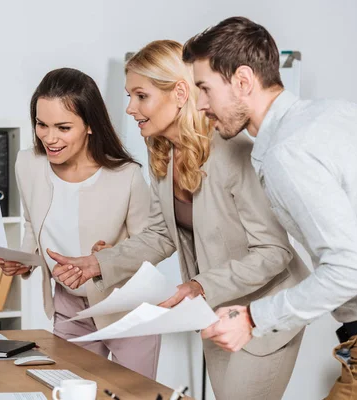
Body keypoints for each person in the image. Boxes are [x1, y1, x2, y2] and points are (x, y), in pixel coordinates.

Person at [48, 40, 309, 400]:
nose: (130, 108)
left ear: (180, 92)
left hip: (263, 312)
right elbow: (161, 235)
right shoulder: (164, 156)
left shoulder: (234, 152)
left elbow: (274, 252)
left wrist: (199, 286)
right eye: (129, 96)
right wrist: (97, 264)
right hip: (215, 312)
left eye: (141, 96)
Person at [183, 16, 357, 400]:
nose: (202, 105)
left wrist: (254, 317)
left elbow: (353, 268)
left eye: (205, 89)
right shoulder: (340, 113)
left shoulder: (287, 153)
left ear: (243, 81)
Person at [0, 67, 160, 379]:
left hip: (127, 309)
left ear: (90, 126)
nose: (49, 137)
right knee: (69, 389)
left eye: (63, 127)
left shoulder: (126, 177)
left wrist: (109, 256)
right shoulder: (27, 164)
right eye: (42, 124)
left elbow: (151, 243)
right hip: (70, 307)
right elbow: (33, 223)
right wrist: (24, 262)